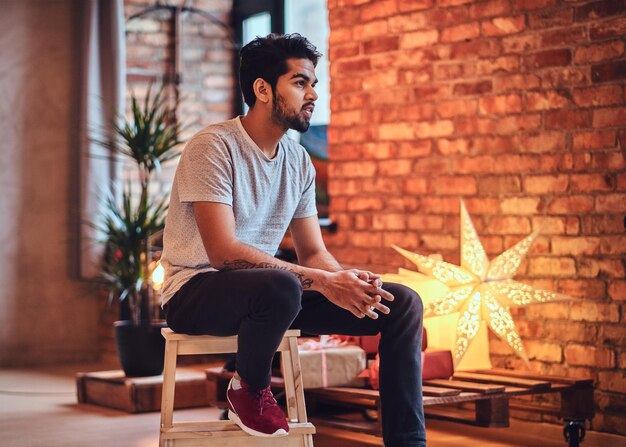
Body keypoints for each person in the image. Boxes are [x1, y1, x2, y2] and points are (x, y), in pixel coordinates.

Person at [160, 33, 426, 447]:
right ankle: (247, 389)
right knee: (281, 284)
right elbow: (224, 253)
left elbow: (314, 252)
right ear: (263, 89)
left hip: (270, 296)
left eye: (314, 83)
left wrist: (345, 280)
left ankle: (408, 442)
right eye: (301, 82)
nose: (314, 94)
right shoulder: (212, 147)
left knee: (401, 303)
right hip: (195, 292)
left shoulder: (298, 160)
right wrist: (322, 282)